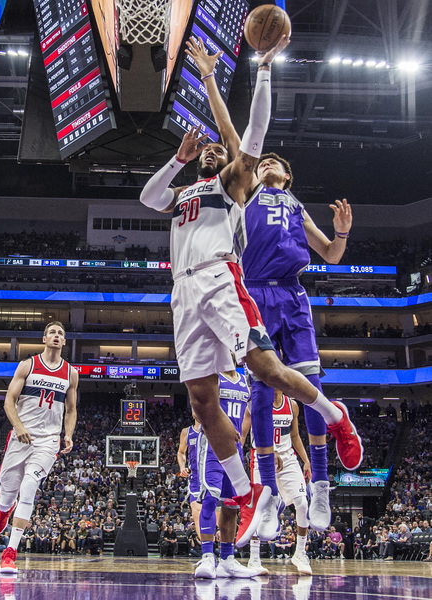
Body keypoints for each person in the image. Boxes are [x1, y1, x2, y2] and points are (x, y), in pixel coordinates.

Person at [141, 33, 362, 550]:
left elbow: (251, 132)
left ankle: (334, 416)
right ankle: (244, 491)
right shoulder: (185, 191)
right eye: (210, 149)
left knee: (266, 370)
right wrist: (178, 157)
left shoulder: (234, 185)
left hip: (223, 278)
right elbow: (150, 197)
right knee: (201, 401)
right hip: (182, 291)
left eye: (222, 150)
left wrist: (260, 69)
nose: (215, 149)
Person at [0, 321, 78, 574]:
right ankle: (4, 510)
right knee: (8, 489)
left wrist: (68, 434)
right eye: (52, 332)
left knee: (29, 486)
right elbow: (9, 401)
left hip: (48, 440)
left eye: (60, 333)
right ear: (44, 338)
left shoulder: (70, 373)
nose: (56, 336)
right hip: (21, 437)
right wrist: (18, 426)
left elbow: (71, 409)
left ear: (64, 342)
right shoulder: (27, 365)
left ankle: (10, 552)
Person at [195, 366, 263, 579]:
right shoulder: (213, 376)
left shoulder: (245, 380)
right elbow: (197, 411)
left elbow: (250, 414)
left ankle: (227, 560)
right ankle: (207, 557)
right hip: (211, 444)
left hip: (234, 449)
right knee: (210, 498)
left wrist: (242, 436)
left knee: (232, 504)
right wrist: (224, 426)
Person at [242, 390, 313, 575]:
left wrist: (306, 460)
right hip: (261, 457)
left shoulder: (292, 405)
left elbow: (295, 436)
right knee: (259, 506)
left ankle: (300, 554)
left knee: (302, 503)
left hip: (287, 458)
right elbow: (244, 434)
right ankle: (254, 559)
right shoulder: (255, 403)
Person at [177, 414, 202, 531]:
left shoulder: (215, 429)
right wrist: (182, 467)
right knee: (197, 513)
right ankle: (205, 542)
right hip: (195, 476)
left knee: (218, 514)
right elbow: (181, 452)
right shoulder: (186, 432)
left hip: (213, 475)